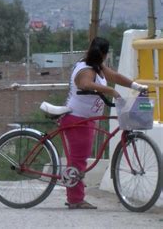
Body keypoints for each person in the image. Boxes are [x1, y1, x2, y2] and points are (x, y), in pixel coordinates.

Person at [61, 37, 147, 209]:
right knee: (78, 160)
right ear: (106, 54)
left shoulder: (97, 67)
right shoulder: (85, 69)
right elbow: (85, 83)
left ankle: (75, 196)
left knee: (80, 159)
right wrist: (110, 91)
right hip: (77, 119)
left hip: (87, 119)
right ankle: (75, 199)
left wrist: (136, 86)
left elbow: (114, 75)